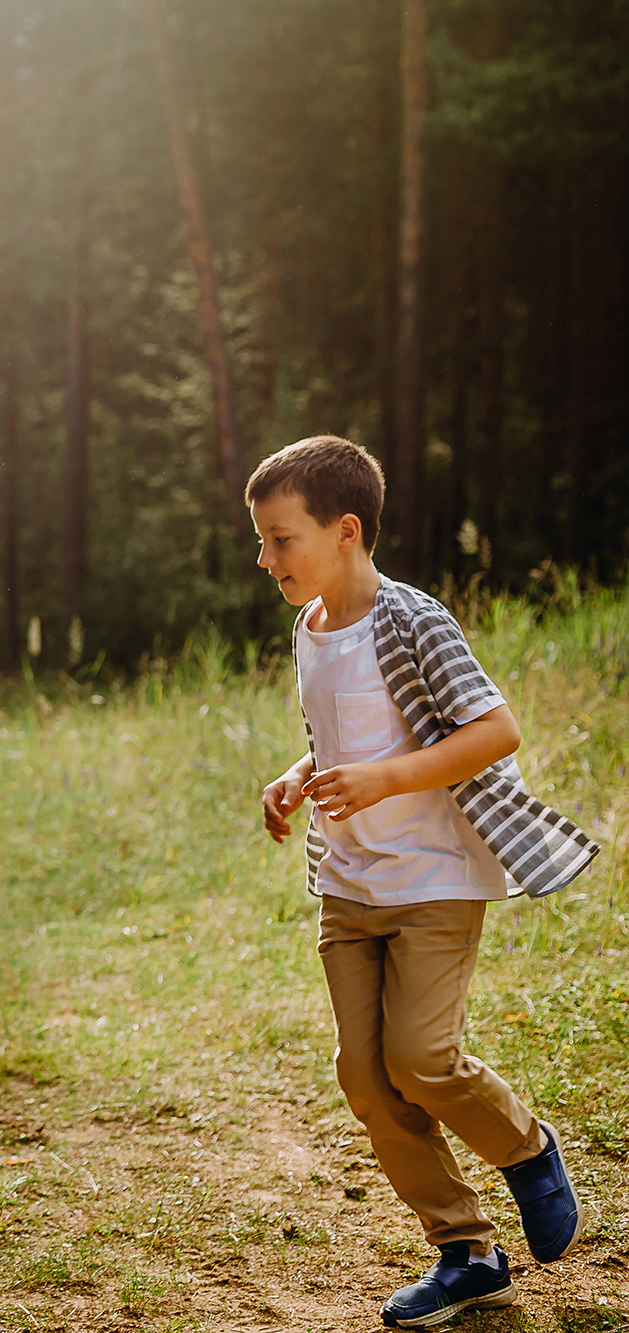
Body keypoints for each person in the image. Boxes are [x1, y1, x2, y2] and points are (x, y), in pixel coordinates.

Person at [249, 436, 598, 1329]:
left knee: (420, 1057)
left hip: (437, 875)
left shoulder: (413, 619)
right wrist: (301, 775)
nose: (265, 557)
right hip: (350, 883)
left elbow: (495, 730)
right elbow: (344, 737)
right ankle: (467, 1250)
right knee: (365, 1078)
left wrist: (387, 780)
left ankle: (526, 1149)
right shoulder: (311, 626)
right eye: (262, 540)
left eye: (281, 538)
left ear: (347, 530)